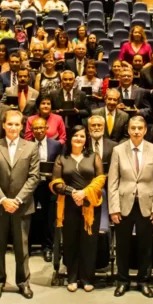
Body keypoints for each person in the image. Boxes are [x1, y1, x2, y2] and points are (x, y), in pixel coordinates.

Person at [0, 110, 40, 300]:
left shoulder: (31, 147)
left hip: (22, 206)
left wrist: (17, 200)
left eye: (17, 124)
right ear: (3, 125)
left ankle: (23, 282)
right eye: (10, 124)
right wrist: (3, 200)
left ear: (22, 126)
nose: (13, 127)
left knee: (22, 247)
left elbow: (34, 177)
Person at [108, 116, 153, 298]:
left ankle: (143, 281)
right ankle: (122, 281)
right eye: (133, 128)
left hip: (147, 204)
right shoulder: (118, 150)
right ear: (128, 130)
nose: (137, 131)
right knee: (122, 245)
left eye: (140, 128)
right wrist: (113, 208)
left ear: (145, 130)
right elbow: (113, 181)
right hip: (123, 204)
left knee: (145, 246)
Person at [49, 125, 105, 292]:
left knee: (89, 242)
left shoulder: (94, 157)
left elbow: (100, 179)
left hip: (90, 205)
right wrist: (73, 192)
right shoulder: (62, 158)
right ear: (70, 138)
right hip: (69, 204)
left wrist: (84, 193)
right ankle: (72, 277)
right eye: (75, 136)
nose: (79, 139)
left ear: (86, 139)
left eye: (82, 136)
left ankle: (87, 278)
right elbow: (55, 182)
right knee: (70, 241)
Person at [30, 116, 64, 262]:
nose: (39, 130)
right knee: (29, 217)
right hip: (31, 186)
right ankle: (27, 247)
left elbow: (61, 164)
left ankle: (48, 248)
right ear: (31, 130)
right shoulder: (26, 144)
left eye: (41, 127)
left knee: (49, 218)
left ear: (46, 128)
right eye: (36, 128)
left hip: (49, 186)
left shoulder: (56, 145)